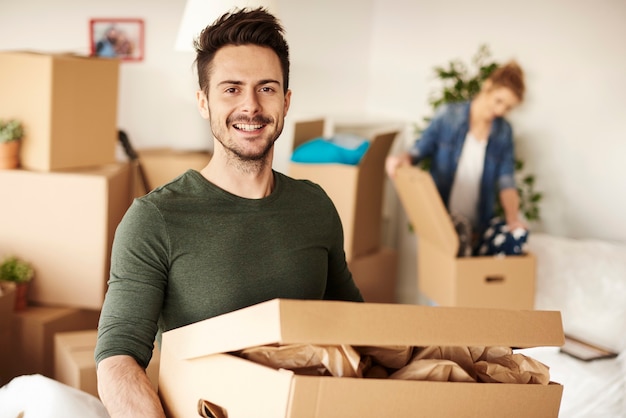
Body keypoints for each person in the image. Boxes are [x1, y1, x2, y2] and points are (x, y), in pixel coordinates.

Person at [94, 8, 363, 417]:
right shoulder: (154, 218)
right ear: (203, 102)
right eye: (231, 89)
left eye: (267, 88)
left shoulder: (315, 206)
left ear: (286, 101)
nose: (251, 107)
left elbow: (356, 325)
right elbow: (117, 358)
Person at [386, 61, 528, 257]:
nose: (501, 111)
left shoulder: (503, 131)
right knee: (456, 249)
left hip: (480, 222)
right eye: (499, 101)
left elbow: (507, 180)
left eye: (509, 107)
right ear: (487, 87)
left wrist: (513, 219)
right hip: (446, 220)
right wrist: (401, 159)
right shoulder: (448, 115)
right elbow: (418, 151)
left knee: (518, 236)